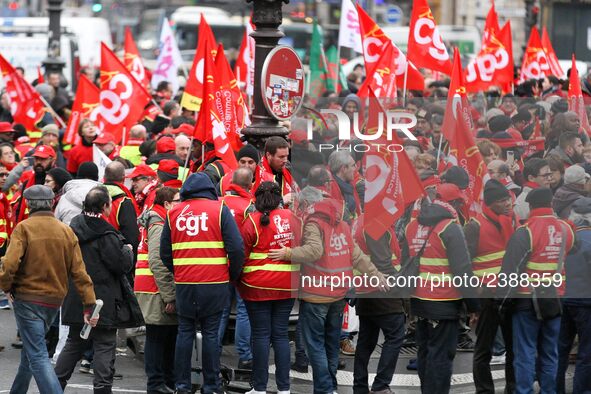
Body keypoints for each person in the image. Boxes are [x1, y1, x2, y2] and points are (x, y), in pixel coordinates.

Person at [269, 198, 385, 394]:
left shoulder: (314, 224)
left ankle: (324, 389)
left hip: (316, 295)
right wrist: (376, 275)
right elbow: (357, 256)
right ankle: (330, 386)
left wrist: (288, 252)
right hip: (338, 295)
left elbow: (314, 251)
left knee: (315, 346)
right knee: (331, 344)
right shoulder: (343, 227)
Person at [0, 185, 97, 394]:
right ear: (52, 202)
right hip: (54, 301)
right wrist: (89, 304)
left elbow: (9, 265)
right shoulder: (66, 230)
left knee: (36, 355)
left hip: (27, 298)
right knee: (31, 350)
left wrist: (6, 287)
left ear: (27, 204)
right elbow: (79, 272)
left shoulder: (24, 228)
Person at [160, 173, 244, 394]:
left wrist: (179, 270)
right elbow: (236, 248)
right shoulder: (219, 210)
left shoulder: (174, 213)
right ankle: (211, 386)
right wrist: (231, 275)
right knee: (210, 334)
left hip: (185, 283)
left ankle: (182, 386)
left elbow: (164, 253)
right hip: (215, 282)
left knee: (185, 332)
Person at [55, 186, 143, 394]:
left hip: (75, 296)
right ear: (105, 207)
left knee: (74, 342)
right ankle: (102, 389)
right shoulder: (107, 234)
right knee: (104, 343)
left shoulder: (71, 229)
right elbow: (121, 264)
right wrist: (128, 251)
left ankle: (54, 385)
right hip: (103, 299)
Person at [498, 187, 575, 394]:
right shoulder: (566, 229)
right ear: (551, 204)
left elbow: (510, 272)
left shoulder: (525, 231)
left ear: (530, 206)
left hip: (527, 301)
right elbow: (571, 251)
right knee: (550, 353)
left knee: (525, 353)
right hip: (555, 298)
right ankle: (549, 390)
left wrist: (502, 304)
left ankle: (524, 391)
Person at [404, 184, 480, 394]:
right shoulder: (449, 227)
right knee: (441, 355)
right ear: (452, 205)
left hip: (418, 301)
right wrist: (474, 305)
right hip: (444, 302)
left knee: (425, 352)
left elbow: (405, 263)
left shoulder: (412, 227)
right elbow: (462, 270)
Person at [238, 181, 299, 394]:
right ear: (279, 197)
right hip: (287, 284)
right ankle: (284, 389)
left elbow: (241, 254)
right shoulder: (293, 218)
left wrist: (237, 281)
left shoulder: (252, 221)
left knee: (261, 336)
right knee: (281, 335)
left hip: (256, 285)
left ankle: (260, 388)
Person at [464, 180, 518, 393]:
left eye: (508, 199)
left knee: (513, 348)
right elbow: (465, 264)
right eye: (503, 200)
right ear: (491, 203)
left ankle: (512, 388)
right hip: (486, 296)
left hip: (509, 293)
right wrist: (472, 301)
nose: (508, 204)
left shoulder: (511, 220)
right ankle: (484, 390)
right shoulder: (474, 226)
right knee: (484, 349)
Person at [135, 186, 180, 394]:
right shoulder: (159, 225)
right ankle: (156, 384)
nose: (182, 204)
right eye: (178, 200)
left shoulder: (157, 221)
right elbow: (157, 260)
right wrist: (170, 295)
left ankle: (165, 382)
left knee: (165, 337)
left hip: (152, 287)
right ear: (167, 204)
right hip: (155, 289)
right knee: (157, 337)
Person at [218, 168, 255, 369]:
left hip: (218, 265)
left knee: (221, 310)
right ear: (250, 184)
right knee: (243, 310)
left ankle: (212, 351)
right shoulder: (251, 206)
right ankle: (245, 356)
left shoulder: (218, 203)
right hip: (242, 264)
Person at [557, 197, 591, 393]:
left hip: (562, 299)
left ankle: (555, 389)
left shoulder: (563, 238)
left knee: (559, 349)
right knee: (586, 352)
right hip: (586, 303)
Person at [103, 162, 140, 259]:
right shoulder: (124, 201)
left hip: (94, 255)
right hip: (117, 255)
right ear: (124, 178)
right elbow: (131, 234)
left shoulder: (92, 196)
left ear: (104, 177)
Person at [252, 136, 298, 206]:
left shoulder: (287, 168)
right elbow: (259, 206)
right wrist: (282, 201)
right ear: (268, 155)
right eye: (281, 157)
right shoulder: (256, 175)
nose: (285, 160)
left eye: (286, 156)